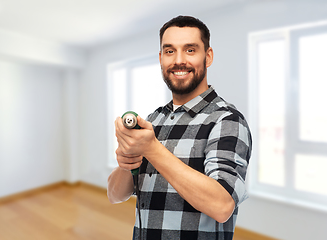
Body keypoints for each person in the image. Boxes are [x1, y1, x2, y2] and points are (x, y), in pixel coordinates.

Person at [107, 15, 252, 240]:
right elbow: (115, 195)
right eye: (169, 51)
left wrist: (152, 148)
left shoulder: (226, 120)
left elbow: (222, 206)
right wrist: (127, 161)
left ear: (208, 56)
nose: (179, 60)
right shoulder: (153, 119)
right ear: (161, 58)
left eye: (190, 50)